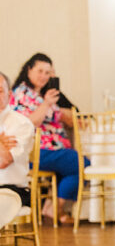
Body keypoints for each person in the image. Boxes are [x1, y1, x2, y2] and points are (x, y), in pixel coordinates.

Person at [8, 53, 87, 224]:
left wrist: (71, 115)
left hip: (55, 149)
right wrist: (46, 104)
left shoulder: (43, 93)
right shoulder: (21, 93)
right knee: (81, 163)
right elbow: (27, 125)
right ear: (29, 70)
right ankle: (54, 209)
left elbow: (62, 115)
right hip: (38, 151)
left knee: (78, 166)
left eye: (48, 72)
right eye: (40, 71)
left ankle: (51, 207)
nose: (44, 76)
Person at [0, 72, 35, 228]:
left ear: (9, 94)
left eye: (0, 90)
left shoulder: (22, 124)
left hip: (12, 190)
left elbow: (3, 161)